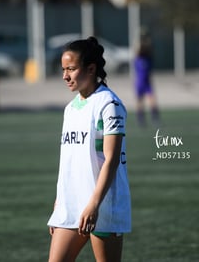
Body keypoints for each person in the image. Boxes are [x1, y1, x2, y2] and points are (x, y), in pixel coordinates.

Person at [47, 36, 131, 261]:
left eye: (71, 69)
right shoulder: (70, 109)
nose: (65, 76)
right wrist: (59, 203)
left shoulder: (109, 104)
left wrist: (94, 205)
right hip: (72, 205)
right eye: (63, 69)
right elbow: (68, 161)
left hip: (103, 206)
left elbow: (111, 160)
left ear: (91, 68)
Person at [133, 34, 160, 127]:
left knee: (152, 99)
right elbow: (137, 49)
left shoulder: (148, 59)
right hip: (140, 82)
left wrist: (146, 40)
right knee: (140, 101)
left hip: (146, 82)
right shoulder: (138, 59)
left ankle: (155, 118)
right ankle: (141, 119)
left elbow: (149, 48)